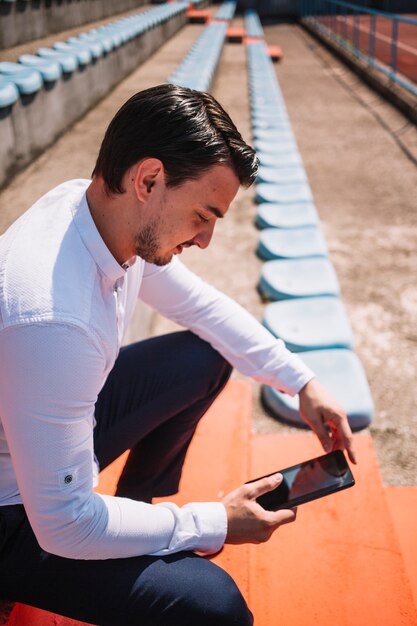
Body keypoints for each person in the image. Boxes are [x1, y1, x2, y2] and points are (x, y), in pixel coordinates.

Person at [0, 84, 356, 626]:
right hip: (14, 508)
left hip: (40, 431)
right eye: (203, 215)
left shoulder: (96, 208)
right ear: (148, 180)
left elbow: (203, 308)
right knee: (215, 606)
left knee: (205, 356)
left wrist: (301, 381)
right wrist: (211, 522)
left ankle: (136, 508)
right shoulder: (53, 318)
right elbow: (64, 524)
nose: (207, 239)